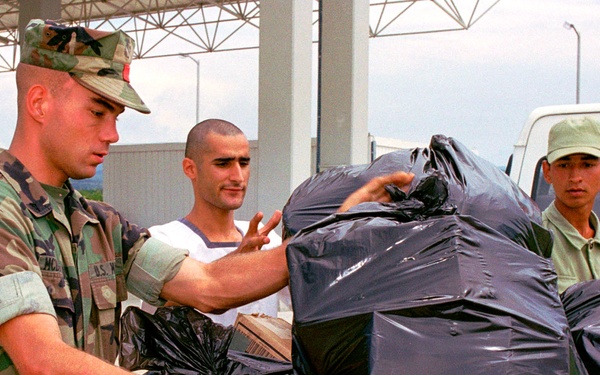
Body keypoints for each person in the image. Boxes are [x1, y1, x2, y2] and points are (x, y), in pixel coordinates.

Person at [0, 19, 414, 374]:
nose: (113, 134)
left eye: (115, 116)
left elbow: (209, 283)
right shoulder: (5, 206)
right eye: (97, 112)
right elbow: (40, 358)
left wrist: (338, 227)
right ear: (39, 102)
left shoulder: (97, 222)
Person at [148, 119, 289, 325]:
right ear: (190, 168)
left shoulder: (267, 239)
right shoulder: (163, 241)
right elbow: (158, 317)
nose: (238, 176)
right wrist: (238, 262)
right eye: (223, 164)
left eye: (244, 163)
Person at [541, 117, 600, 294]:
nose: (575, 177)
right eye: (564, 165)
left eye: (587, 164)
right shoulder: (533, 241)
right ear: (547, 171)